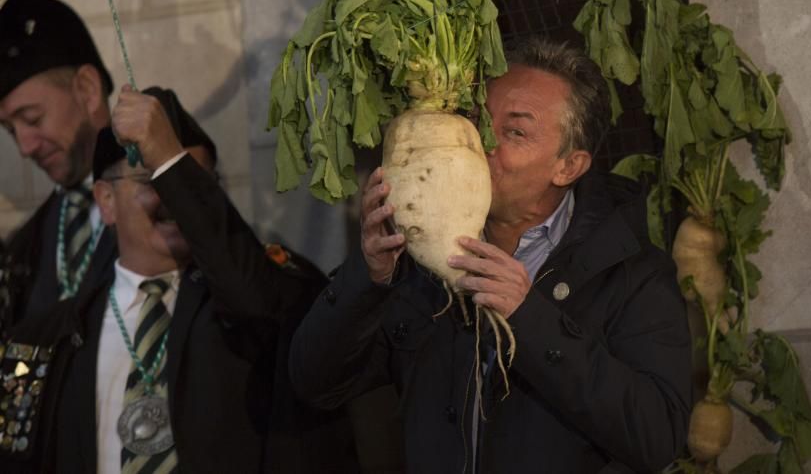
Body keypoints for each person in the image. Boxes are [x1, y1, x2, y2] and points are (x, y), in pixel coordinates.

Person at [289, 38, 693, 473]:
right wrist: (366, 278)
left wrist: (530, 317)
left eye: (515, 132)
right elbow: (317, 383)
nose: (483, 143)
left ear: (568, 167)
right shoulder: (421, 262)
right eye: (481, 121)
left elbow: (657, 439)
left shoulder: (635, 275)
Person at [0, 86, 357, 472]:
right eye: (153, 180)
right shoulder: (45, 337)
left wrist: (171, 162)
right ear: (105, 200)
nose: (174, 199)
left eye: (192, 184)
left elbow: (257, 300)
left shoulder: (255, 300)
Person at [0, 0, 115, 335]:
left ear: (87, 90)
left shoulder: (166, 207)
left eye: (32, 119)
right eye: (9, 130)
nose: (24, 146)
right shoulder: (24, 247)